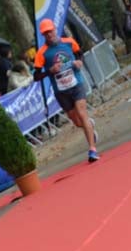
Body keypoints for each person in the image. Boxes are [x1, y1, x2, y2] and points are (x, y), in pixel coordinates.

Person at [33, 19, 101, 162]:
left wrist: (79, 62)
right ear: (43, 35)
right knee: (77, 122)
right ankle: (89, 126)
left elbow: (79, 54)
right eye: (45, 33)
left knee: (82, 114)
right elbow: (36, 76)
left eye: (50, 31)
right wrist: (50, 71)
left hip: (76, 85)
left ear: (55, 29)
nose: (49, 35)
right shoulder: (41, 53)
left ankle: (92, 150)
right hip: (61, 91)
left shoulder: (69, 42)